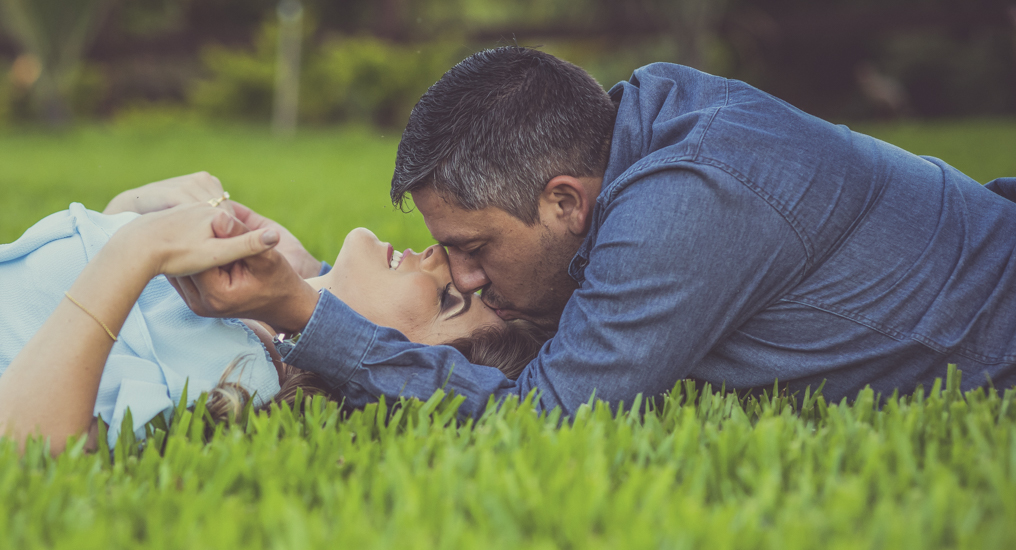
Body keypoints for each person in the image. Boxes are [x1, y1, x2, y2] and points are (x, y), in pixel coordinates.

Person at [174, 48, 1016, 416]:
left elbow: (543, 422)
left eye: (474, 249)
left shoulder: (685, 207)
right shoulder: (639, 125)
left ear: (565, 202)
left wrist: (311, 320)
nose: (461, 277)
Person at [0, 174, 545, 452]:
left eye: (448, 299)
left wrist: (134, 252)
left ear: (389, 361)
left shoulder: (233, 379)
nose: (437, 258)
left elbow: (9, 452)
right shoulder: (246, 308)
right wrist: (127, 212)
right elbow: (25, 310)